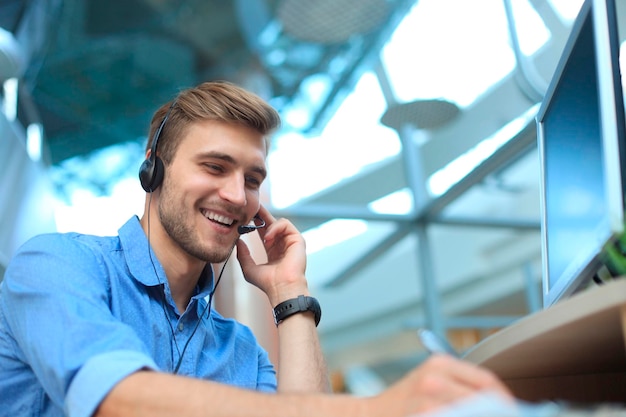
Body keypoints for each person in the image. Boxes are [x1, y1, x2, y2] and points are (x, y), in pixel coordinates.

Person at [0, 81, 511, 417]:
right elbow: (120, 400)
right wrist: (380, 408)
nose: (238, 196)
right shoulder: (56, 266)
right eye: (215, 167)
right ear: (152, 168)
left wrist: (291, 294)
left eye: (253, 178)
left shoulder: (237, 349)